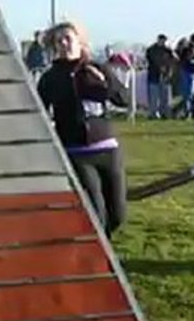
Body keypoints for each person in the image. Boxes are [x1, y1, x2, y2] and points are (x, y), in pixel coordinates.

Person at [37, 21, 130, 236]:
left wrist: (106, 84)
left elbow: (123, 99)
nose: (63, 44)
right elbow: (39, 109)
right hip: (77, 152)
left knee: (118, 215)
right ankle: (102, 255)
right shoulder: (51, 78)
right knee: (96, 213)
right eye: (58, 40)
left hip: (107, 149)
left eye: (68, 38)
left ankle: (103, 246)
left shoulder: (96, 68)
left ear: (80, 41)